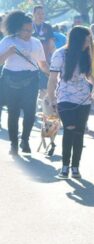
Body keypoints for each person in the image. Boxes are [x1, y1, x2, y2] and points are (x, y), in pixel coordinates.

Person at [47, 26, 94, 178]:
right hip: (65, 98)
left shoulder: (86, 53)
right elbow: (52, 79)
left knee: (79, 132)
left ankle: (75, 167)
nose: (88, 43)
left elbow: (88, 74)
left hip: (84, 99)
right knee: (69, 129)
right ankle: (65, 166)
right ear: (77, 40)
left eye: (89, 40)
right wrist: (52, 99)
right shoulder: (60, 54)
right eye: (86, 41)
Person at [0, 10, 49, 155]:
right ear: (17, 29)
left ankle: (25, 140)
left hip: (31, 80)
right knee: (13, 113)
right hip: (10, 80)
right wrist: (8, 53)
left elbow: (42, 64)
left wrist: (54, 76)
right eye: (25, 30)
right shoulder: (8, 41)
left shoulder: (36, 42)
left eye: (30, 29)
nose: (28, 33)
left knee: (30, 113)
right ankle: (14, 144)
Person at [32, 5, 54, 99]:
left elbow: (51, 45)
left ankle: (43, 108)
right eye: (38, 13)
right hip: (30, 61)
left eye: (42, 14)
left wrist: (54, 57)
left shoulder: (48, 27)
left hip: (44, 60)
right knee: (32, 86)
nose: (41, 16)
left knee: (44, 86)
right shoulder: (28, 26)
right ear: (33, 14)